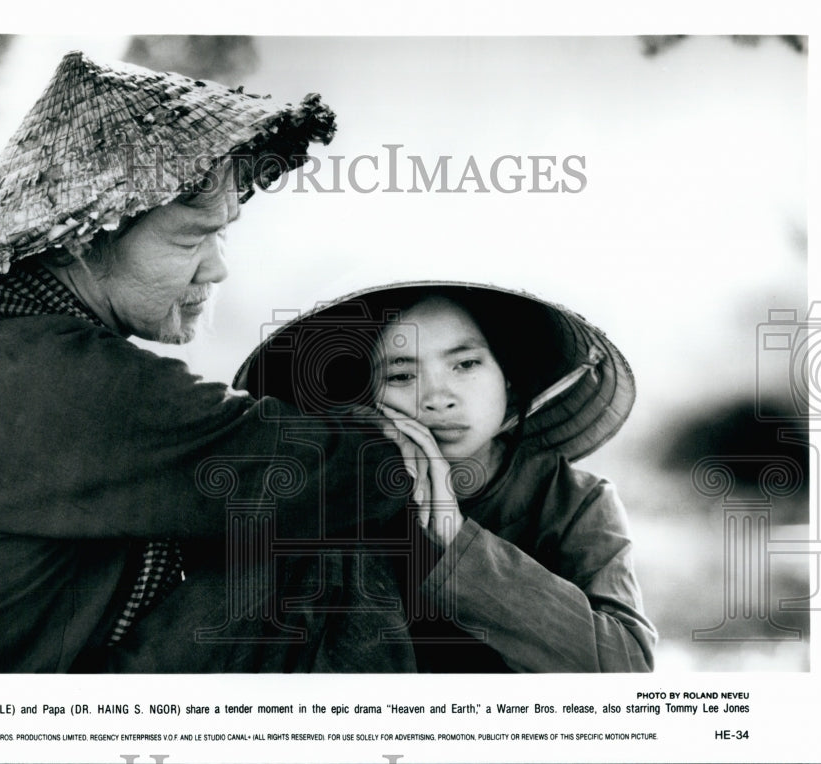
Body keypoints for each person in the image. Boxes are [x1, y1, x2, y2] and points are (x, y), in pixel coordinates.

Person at [0, 51, 418, 673]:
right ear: (84, 237)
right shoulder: (67, 379)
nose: (217, 266)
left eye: (223, 233)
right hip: (4, 726)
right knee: (317, 543)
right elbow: (345, 471)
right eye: (192, 237)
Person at [234, 283, 657, 672]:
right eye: (401, 375)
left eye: (466, 364)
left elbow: (629, 668)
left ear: (508, 377)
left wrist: (460, 544)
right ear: (363, 399)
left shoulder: (576, 502)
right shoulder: (340, 499)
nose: (438, 399)